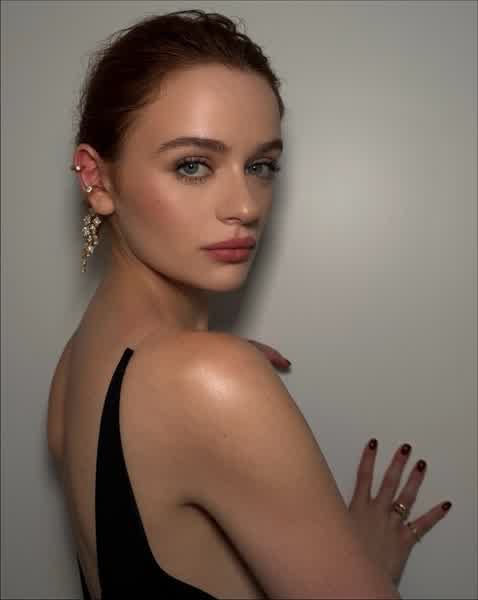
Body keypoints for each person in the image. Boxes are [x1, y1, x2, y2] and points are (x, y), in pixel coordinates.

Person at [47, 9, 452, 600]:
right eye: (192, 165)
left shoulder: (77, 360)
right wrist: (366, 569)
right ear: (97, 179)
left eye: (261, 165)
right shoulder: (210, 381)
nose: (245, 206)